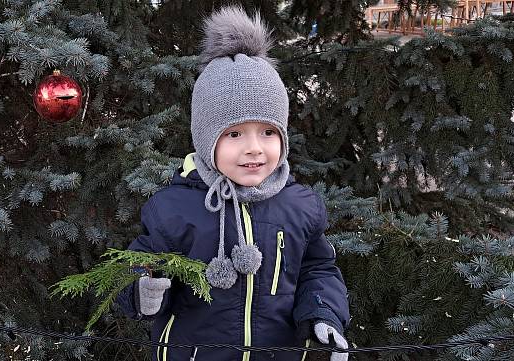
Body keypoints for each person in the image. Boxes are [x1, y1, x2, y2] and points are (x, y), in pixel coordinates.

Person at [115, 6, 350, 361]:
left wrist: (323, 313)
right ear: (207, 139)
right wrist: (141, 289)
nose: (254, 148)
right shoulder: (173, 209)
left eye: (268, 132)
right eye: (235, 133)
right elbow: (138, 265)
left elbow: (317, 269)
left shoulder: (299, 205)